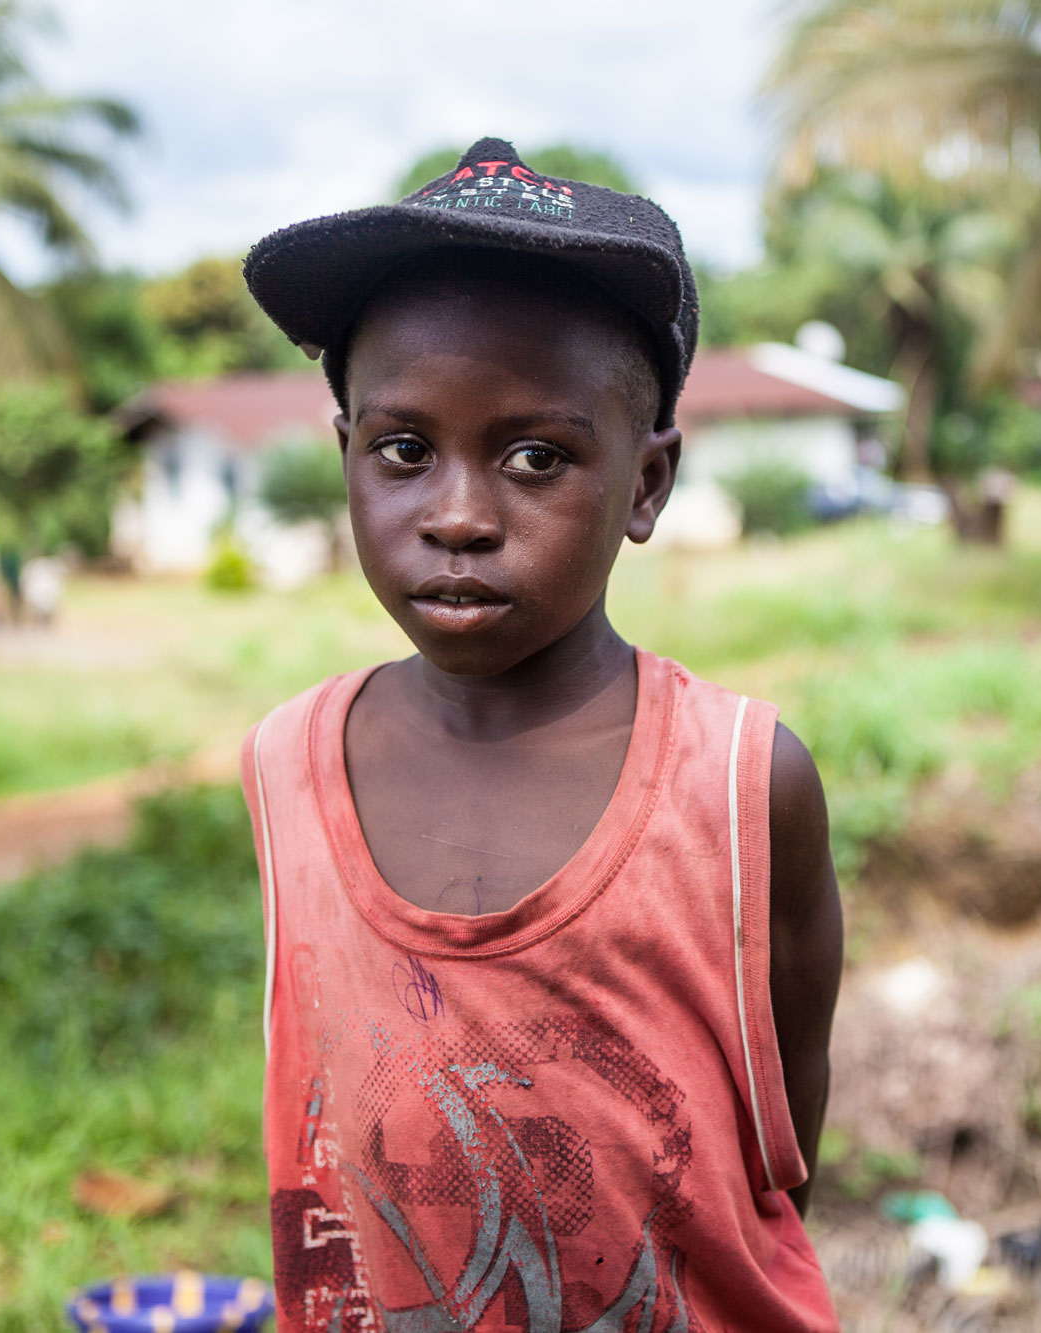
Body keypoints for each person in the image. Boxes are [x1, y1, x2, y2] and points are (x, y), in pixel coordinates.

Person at [238, 138, 844, 1333]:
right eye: (403, 451)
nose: (458, 516)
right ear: (346, 455)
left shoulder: (738, 785)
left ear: (646, 484)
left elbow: (781, 1147)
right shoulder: (285, 766)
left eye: (535, 457)